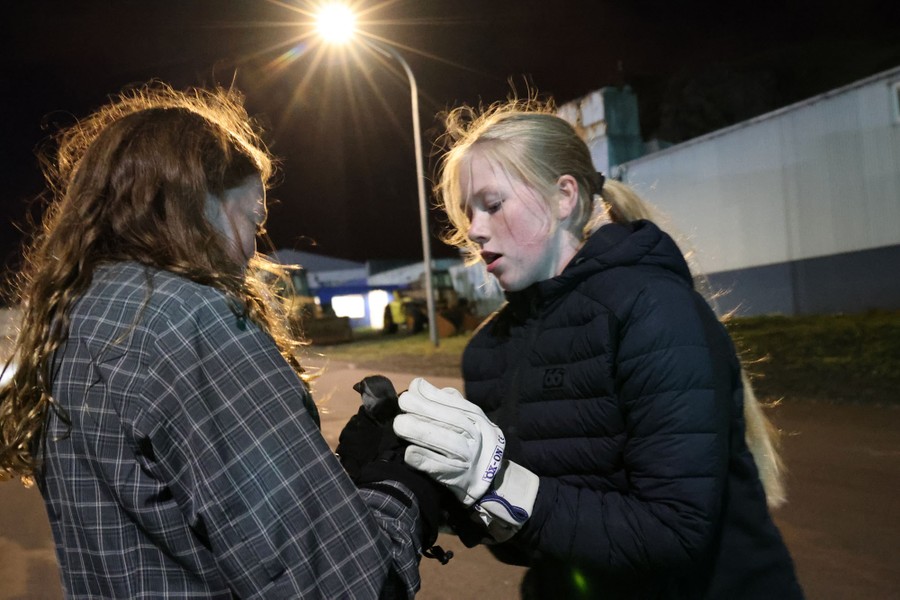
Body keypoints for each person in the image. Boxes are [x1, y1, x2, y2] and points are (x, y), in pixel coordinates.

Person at [0, 82, 444, 599]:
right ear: (196, 202)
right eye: (253, 216)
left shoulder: (69, 318)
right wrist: (399, 487)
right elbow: (343, 586)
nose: (252, 250)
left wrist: (332, 486)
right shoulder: (192, 321)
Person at [391, 100, 804, 598]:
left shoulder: (652, 310)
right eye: (468, 212)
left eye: (493, 204)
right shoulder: (489, 350)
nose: (476, 230)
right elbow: (525, 544)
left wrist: (503, 487)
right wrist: (439, 486)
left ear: (565, 196)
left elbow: (674, 532)